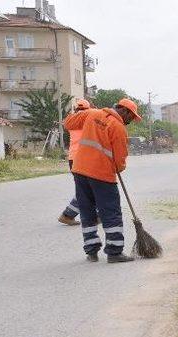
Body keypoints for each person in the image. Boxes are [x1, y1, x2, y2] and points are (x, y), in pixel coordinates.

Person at [63, 98, 141, 263]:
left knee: (86, 211)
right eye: (132, 117)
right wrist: (118, 167)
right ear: (124, 111)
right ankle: (114, 252)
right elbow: (120, 161)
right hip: (101, 175)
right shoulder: (118, 127)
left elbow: (68, 123)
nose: (131, 120)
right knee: (111, 212)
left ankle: (91, 251)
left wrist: (81, 112)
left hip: (80, 170)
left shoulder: (92, 113)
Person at [58, 99, 91, 226]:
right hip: (83, 158)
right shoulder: (87, 120)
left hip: (73, 158)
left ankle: (90, 214)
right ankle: (67, 215)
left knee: (86, 188)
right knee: (88, 189)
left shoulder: (71, 120)